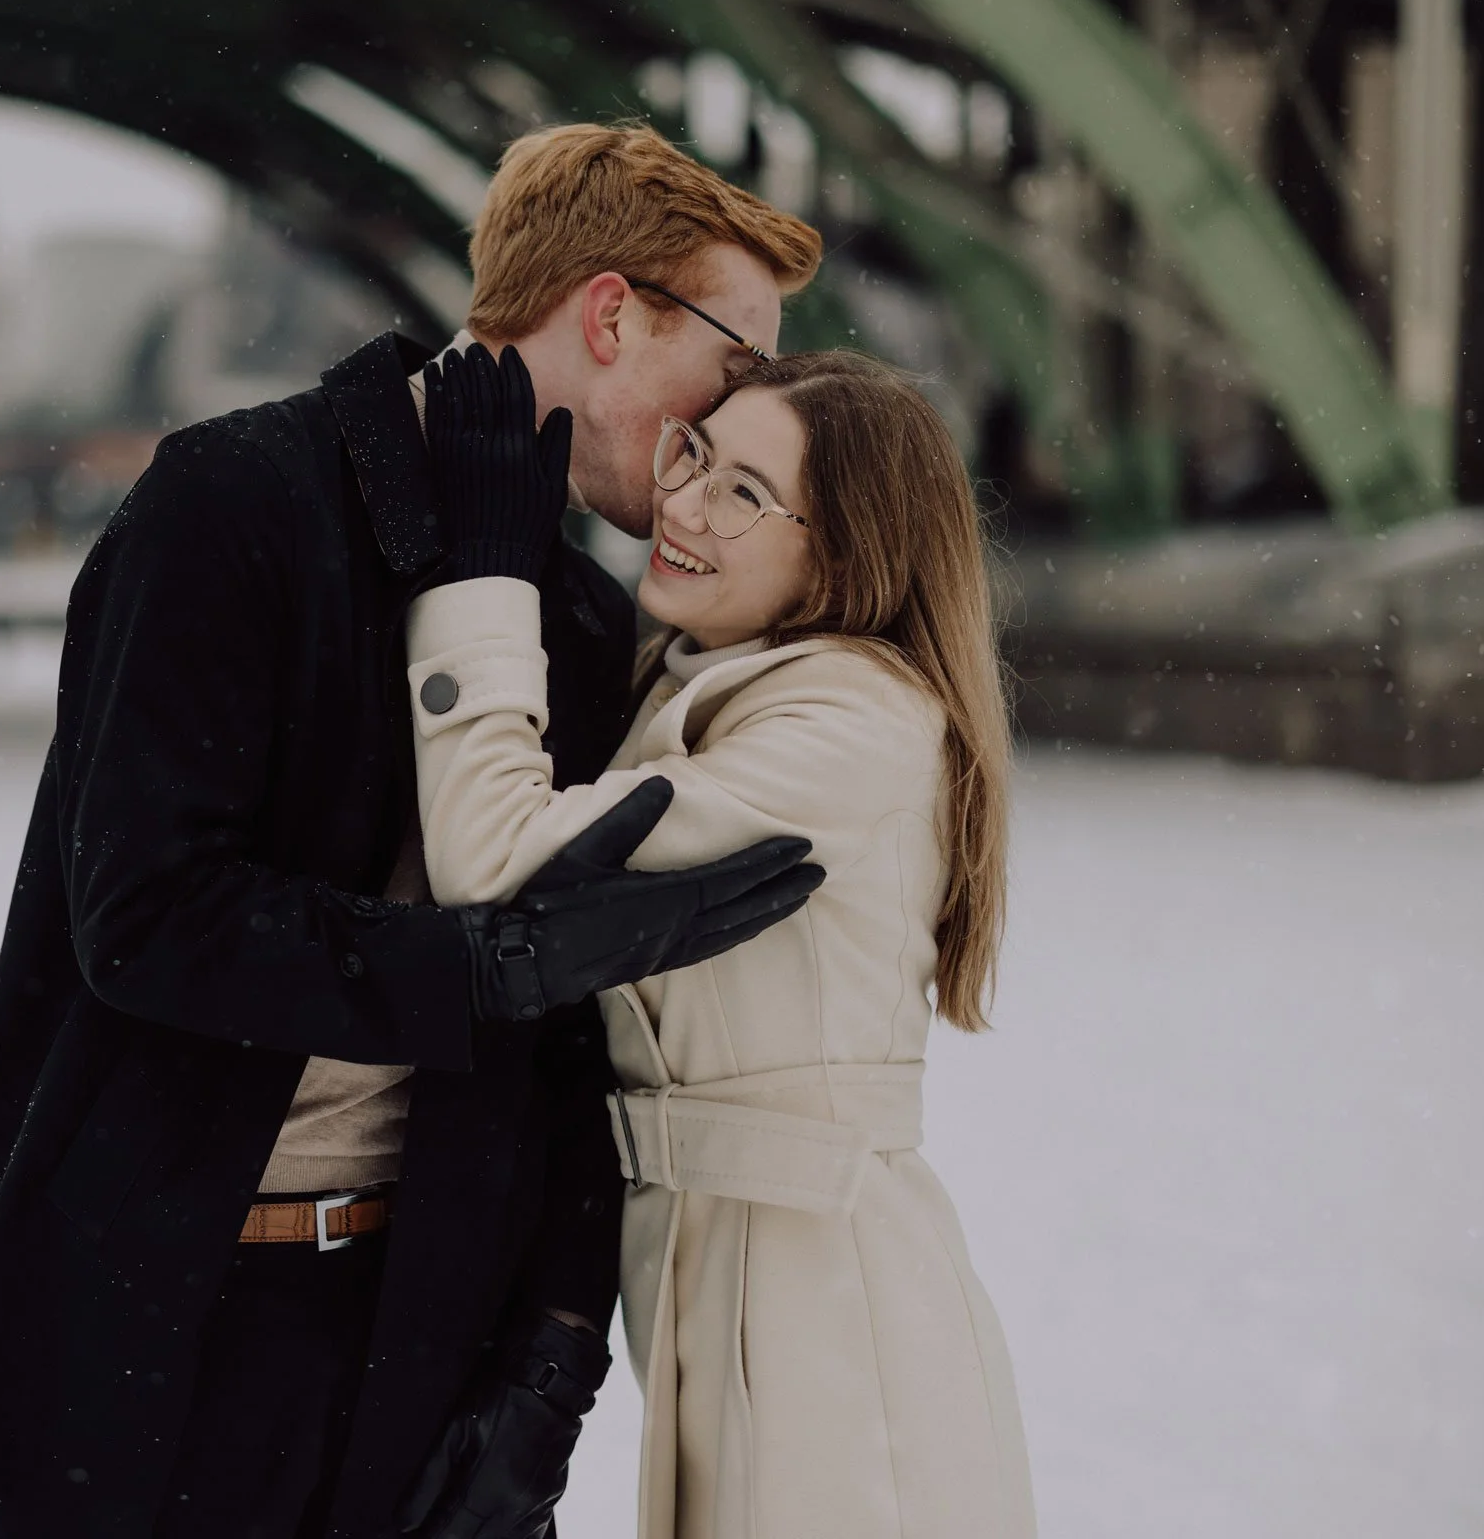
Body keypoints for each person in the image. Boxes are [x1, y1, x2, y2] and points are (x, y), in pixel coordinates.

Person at [0, 124, 828, 1539]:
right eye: (736, 367)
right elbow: (145, 912)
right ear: (614, 314)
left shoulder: (577, 618)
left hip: (409, 1358)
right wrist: (474, 964)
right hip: (137, 1341)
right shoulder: (231, 507)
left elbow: (580, 1055)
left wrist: (546, 1377)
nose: (744, 417)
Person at [407, 344, 1035, 1538]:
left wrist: (487, 579)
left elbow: (490, 860)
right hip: (743, 1280)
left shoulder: (849, 725)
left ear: (843, 553)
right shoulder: (722, 686)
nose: (681, 503)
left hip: (831, 1315)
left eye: (743, 492)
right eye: (694, 454)